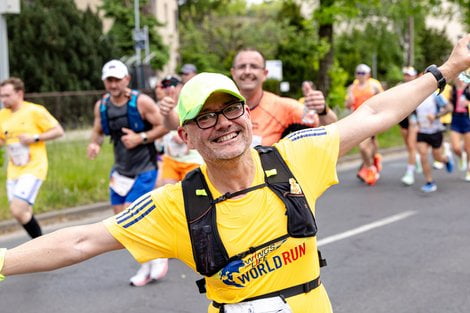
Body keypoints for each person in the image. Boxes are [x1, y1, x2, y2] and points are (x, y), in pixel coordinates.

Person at [1, 34, 469, 313]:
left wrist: (447, 68)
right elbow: (80, 240)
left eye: (230, 109)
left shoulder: (293, 158)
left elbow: (375, 113)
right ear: (186, 136)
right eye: (205, 117)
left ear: (246, 113)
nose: (222, 123)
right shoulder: (176, 205)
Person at [86, 60, 169, 286]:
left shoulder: (141, 102)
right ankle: (147, 261)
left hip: (145, 166)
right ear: (104, 81)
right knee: (120, 219)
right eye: (109, 80)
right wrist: (95, 144)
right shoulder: (101, 105)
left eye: (117, 79)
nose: (113, 84)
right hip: (121, 169)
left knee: (134, 214)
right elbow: (98, 132)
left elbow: (165, 125)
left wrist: (140, 138)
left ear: (126, 79)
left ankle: (157, 256)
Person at [0, 77, 64, 239]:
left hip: (34, 168)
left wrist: (35, 137)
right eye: (1, 96)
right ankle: (42, 244)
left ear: (19, 93)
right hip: (14, 169)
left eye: (7, 95)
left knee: (17, 208)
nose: (3, 99)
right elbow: (2, 139)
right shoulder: (2, 115)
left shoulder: (35, 111)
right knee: (21, 214)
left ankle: (40, 243)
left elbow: (58, 131)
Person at [230, 48, 337, 145]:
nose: (247, 71)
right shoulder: (220, 109)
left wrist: (322, 109)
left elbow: (331, 128)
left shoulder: (283, 106)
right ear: (233, 73)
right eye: (242, 66)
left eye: (254, 66)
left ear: (265, 73)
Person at [345, 63, 384, 185]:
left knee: (363, 146)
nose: (360, 75)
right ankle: (374, 161)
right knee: (370, 143)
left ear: (368, 74)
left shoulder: (374, 85)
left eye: (363, 73)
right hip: (358, 119)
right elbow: (347, 105)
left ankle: (370, 168)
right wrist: (349, 101)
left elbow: (384, 98)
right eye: (358, 73)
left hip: (372, 118)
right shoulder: (352, 88)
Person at [415, 87, 454, 192]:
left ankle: (445, 160)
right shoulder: (416, 97)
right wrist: (414, 121)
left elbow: (449, 108)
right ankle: (429, 182)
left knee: (437, 157)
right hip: (421, 131)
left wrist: (436, 116)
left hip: (435, 131)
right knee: (423, 156)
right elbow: (412, 112)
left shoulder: (435, 95)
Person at [398, 66, 421, 185]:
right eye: (406, 75)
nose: (407, 77)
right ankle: (415, 158)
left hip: (414, 118)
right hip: (402, 119)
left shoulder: (419, 87)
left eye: (410, 75)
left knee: (411, 145)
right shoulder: (399, 87)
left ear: (415, 76)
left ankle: (409, 173)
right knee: (408, 144)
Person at [448, 77, 470, 181]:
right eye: (457, 77)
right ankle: (462, 157)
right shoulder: (452, 89)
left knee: (468, 149)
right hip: (455, 118)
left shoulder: (468, 89)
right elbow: (450, 105)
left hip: (467, 118)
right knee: (455, 147)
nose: (459, 79)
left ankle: (469, 171)